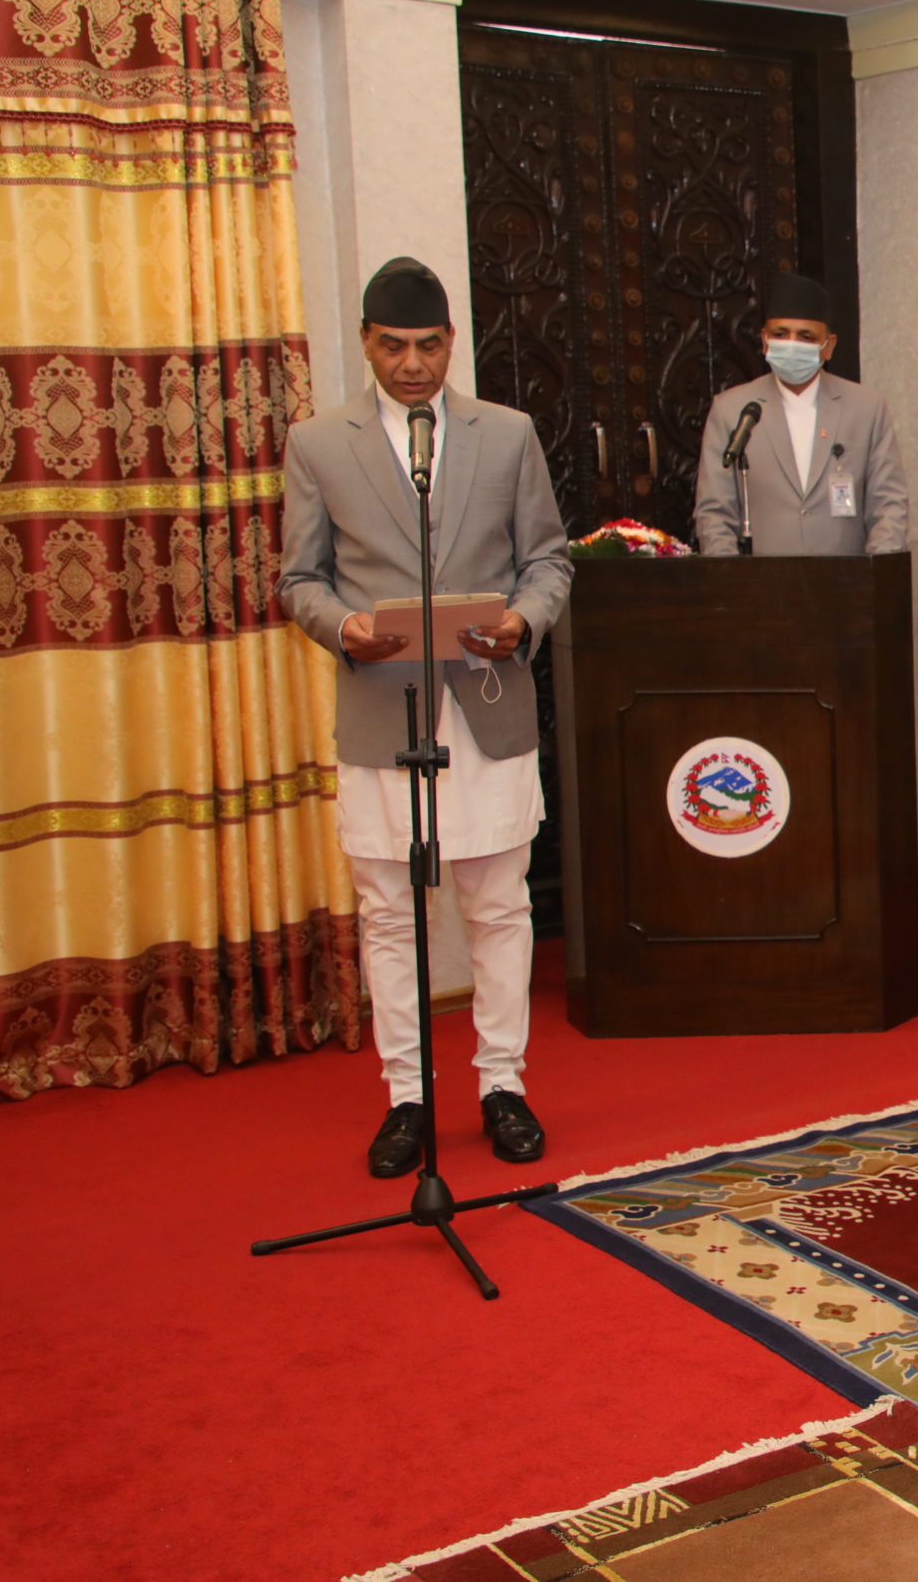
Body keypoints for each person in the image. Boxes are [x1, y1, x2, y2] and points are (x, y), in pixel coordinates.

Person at [279, 257, 573, 1177]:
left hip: (486, 705)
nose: (413, 364)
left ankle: (502, 1084)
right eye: (394, 346)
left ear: (453, 343)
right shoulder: (319, 444)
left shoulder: (509, 434)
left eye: (430, 345)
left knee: (499, 905)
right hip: (383, 710)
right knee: (388, 913)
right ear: (366, 343)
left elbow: (549, 560)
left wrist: (523, 620)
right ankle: (406, 1096)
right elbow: (299, 579)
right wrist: (345, 628)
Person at [694, 274, 908, 556]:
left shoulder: (867, 408)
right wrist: (731, 577)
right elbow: (714, 512)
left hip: (847, 579)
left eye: (806, 337)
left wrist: (876, 574)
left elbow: (888, 504)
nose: (792, 344)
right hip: (760, 580)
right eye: (780, 334)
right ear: (765, 340)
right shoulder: (733, 410)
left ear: (828, 346)